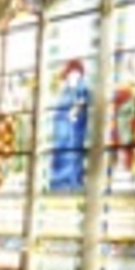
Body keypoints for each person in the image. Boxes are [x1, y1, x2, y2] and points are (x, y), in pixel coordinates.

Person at [49, 59, 89, 191]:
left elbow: (81, 102)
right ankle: (59, 182)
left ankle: (71, 182)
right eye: (69, 74)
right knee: (60, 155)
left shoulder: (81, 88)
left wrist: (74, 113)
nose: (71, 77)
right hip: (61, 129)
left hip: (73, 129)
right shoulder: (65, 90)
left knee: (72, 155)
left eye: (75, 74)